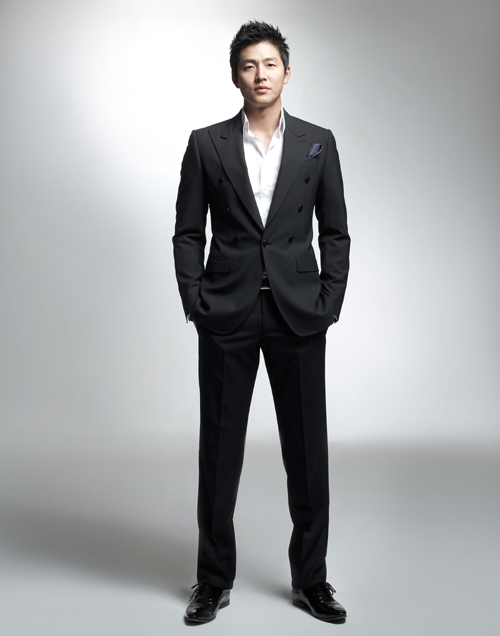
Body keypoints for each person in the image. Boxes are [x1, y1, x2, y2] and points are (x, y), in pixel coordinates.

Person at [173, 21, 350, 623]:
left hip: (299, 314)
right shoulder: (206, 144)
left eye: (270, 63)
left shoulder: (319, 143)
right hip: (228, 312)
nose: (260, 74)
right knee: (219, 451)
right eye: (249, 65)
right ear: (235, 76)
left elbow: (336, 231)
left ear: (287, 72)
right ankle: (211, 579)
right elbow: (188, 231)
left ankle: (312, 580)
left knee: (308, 452)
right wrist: (196, 300)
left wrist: (329, 301)